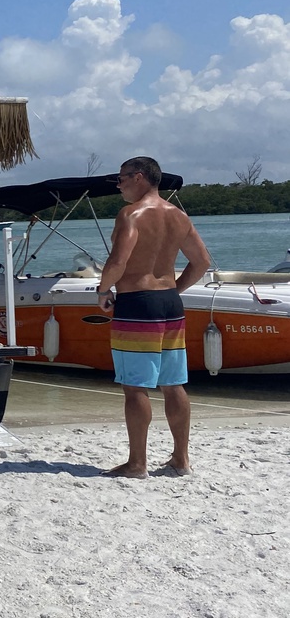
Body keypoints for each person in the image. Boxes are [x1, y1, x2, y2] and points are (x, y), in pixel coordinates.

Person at [96, 156, 212, 478]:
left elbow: (119, 262)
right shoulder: (179, 216)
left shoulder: (130, 215)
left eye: (121, 179)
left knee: (135, 386)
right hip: (169, 303)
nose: (118, 185)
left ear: (139, 177)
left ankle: (137, 464)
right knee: (173, 384)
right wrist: (174, 289)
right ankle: (180, 459)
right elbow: (202, 261)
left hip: (137, 306)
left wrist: (103, 291)